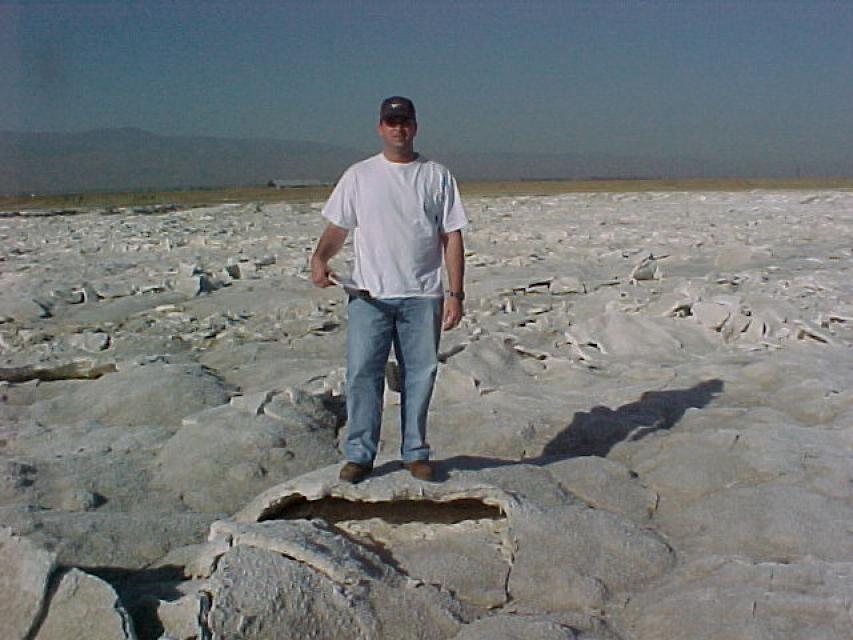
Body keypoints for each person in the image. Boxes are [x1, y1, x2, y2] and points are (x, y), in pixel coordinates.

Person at [310, 96, 467, 483]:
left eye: (405, 121)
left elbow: (452, 235)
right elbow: (338, 227)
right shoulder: (359, 176)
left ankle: (415, 453)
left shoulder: (437, 176)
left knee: (420, 374)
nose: (399, 128)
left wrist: (456, 293)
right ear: (380, 127)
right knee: (363, 373)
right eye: (391, 122)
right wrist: (319, 258)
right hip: (369, 296)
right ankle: (360, 455)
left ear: (416, 126)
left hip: (422, 295)